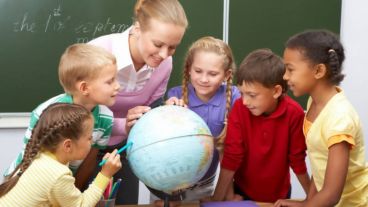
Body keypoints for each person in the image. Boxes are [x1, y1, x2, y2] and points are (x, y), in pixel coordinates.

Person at [88, 0, 188, 204]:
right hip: (85, 152)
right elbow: (77, 114)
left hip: (126, 151)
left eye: (172, 47)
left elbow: (151, 108)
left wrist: (166, 112)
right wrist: (122, 125)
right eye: (158, 44)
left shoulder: (164, 63)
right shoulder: (97, 52)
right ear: (138, 28)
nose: (164, 54)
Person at [3, 44, 121, 191]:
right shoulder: (47, 112)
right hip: (24, 184)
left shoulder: (106, 119)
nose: (118, 86)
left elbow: (89, 161)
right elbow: (32, 157)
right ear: (84, 88)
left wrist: (75, 192)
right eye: (110, 81)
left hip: (61, 187)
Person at [275, 30, 368, 207]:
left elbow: (332, 194)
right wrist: (308, 202)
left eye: (290, 69)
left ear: (318, 71)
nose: (285, 76)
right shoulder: (314, 103)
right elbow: (321, 168)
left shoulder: (339, 119)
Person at [207, 49, 310, 203]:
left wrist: (312, 199)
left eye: (252, 95)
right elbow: (232, 156)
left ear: (276, 91)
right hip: (242, 192)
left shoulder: (294, 114)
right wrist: (217, 199)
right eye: (242, 93)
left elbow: (297, 159)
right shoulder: (239, 108)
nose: (245, 101)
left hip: (279, 195)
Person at [151, 36, 240, 206]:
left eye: (213, 74)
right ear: (189, 70)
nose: (204, 79)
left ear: (226, 75)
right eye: (198, 71)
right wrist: (166, 113)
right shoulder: (175, 96)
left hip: (206, 185)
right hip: (170, 186)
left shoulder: (235, 97)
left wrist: (224, 195)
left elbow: (230, 152)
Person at [0, 103, 122, 206]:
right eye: (89, 138)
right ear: (68, 145)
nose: (92, 142)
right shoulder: (57, 174)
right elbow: (82, 205)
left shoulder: (40, 156)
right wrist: (105, 174)